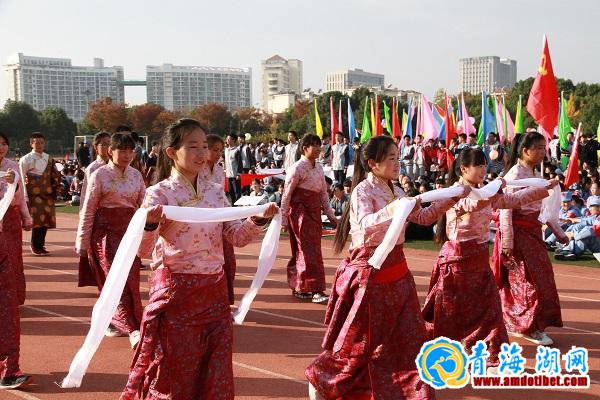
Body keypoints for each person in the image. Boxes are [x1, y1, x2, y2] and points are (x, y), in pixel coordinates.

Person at [121, 118, 278, 400]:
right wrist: (150, 226)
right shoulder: (159, 194)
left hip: (214, 293)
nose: (201, 153)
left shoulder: (215, 192)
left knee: (214, 363)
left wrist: (257, 218)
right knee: (175, 365)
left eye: (204, 146)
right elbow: (143, 252)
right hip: (177, 292)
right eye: (192, 146)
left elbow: (237, 237)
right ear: (171, 152)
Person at [306, 135, 465, 400]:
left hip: (399, 273)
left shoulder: (397, 190)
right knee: (360, 340)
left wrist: (452, 196)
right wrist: (396, 208)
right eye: (391, 158)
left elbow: (423, 217)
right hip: (371, 273)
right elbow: (366, 224)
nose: (397, 162)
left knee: (410, 335)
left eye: (397, 156)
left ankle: (410, 389)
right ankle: (322, 380)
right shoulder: (362, 192)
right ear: (373, 163)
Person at [424, 148, 554, 372]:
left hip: (478, 259)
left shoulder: (483, 191)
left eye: (485, 165)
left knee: (490, 310)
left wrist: (543, 189)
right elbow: (474, 204)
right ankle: (449, 354)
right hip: (457, 260)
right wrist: (493, 189)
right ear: (463, 169)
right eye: (479, 165)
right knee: (452, 313)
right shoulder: (456, 192)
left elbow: (513, 200)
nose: (484, 170)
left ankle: (493, 355)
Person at [494, 132, 568, 346]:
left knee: (540, 279)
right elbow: (505, 209)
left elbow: (544, 209)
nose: (542, 152)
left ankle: (524, 322)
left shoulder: (535, 173)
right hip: (519, 234)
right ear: (525, 151)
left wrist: (559, 232)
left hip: (533, 233)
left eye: (543, 147)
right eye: (537, 148)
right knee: (527, 282)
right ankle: (529, 327)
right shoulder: (515, 175)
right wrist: (507, 241)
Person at [76, 133, 146, 348]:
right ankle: (133, 327)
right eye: (121, 150)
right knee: (116, 279)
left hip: (130, 234)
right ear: (110, 151)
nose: (126, 155)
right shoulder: (99, 175)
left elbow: (144, 206)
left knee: (131, 279)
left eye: (130, 150)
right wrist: (83, 241)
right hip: (104, 236)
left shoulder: (136, 176)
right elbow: (88, 210)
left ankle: (115, 319)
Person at [281, 133, 338, 303]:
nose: (319, 149)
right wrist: (283, 219)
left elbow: (323, 195)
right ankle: (314, 289)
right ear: (305, 148)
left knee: (312, 250)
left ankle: (302, 286)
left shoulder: (319, 168)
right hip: (299, 213)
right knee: (307, 250)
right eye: (315, 145)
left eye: (320, 145)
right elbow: (286, 195)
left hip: (314, 213)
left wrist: (330, 215)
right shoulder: (297, 168)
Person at [0, 168, 32, 389]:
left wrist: (13, 185)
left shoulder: (9, 171)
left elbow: (18, 200)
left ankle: (9, 370)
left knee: (7, 309)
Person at [0, 132, 32, 305]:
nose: (1, 147)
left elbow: (20, 195)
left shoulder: (13, 166)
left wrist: (26, 217)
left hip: (11, 219)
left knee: (13, 257)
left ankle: (13, 297)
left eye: (4, 143)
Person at [19, 132, 63, 256]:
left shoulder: (48, 158)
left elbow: (55, 176)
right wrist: (25, 196)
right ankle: (35, 245)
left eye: (41, 142)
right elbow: (22, 178)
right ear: (31, 144)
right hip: (33, 196)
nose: (39, 145)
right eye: (36, 142)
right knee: (37, 222)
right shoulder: (26, 159)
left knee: (46, 221)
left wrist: (57, 189)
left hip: (47, 195)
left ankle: (41, 245)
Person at [224, 133, 242, 203]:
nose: (227, 140)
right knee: (230, 191)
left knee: (237, 191)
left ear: (233, 140)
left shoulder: (236, 150)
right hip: (228, 175)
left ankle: (238, 205)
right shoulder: (226, 150)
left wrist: (238, 174)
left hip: (235, 175)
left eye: (228, 139)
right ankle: (233, 205)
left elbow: (240, 163)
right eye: (227, 139)